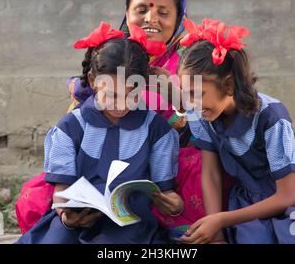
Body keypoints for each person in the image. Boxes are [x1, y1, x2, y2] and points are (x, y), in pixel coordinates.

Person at [177, 18, 295, 244]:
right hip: (249, 199)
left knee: (294, 237)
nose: (191, 103)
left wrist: (221, 220)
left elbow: (288, 196)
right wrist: (215, 232)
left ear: (228, 85)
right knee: (252, 238)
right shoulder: (202, 113)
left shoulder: (272, 118)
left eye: (197, 94)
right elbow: (211, 174)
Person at [17, 22, 182, 244]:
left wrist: (174, 204)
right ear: (94, 82)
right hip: (75, 224)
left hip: (131, 225)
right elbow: (61, 192)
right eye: (112, 95)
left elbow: (166, 192)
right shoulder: (69, 128)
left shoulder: (158, 131)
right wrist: (67, 217)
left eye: (131, 95)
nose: (121, 105)